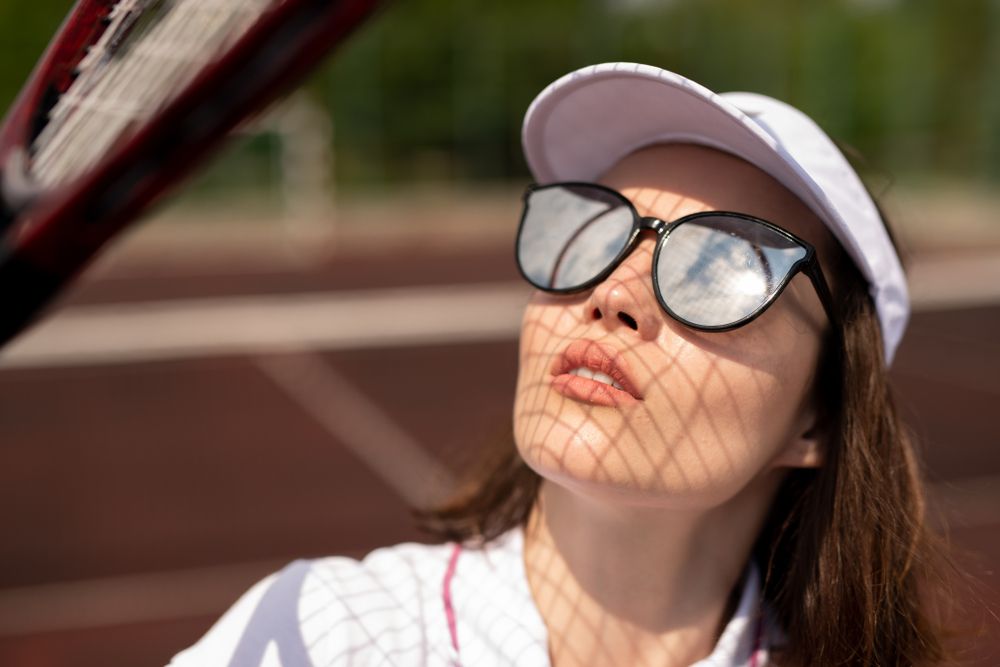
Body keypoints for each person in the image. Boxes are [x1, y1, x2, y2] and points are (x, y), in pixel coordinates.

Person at [169, 63, 949, 666]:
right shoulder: (324, 631)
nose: (611, 294)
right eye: (593, 231)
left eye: (719, 265)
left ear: (818, 415)